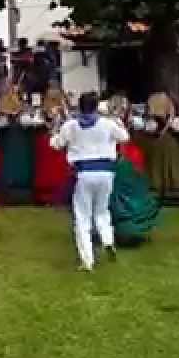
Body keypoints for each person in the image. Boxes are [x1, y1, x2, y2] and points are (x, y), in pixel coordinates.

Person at [50, 92, 130, 271]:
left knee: (82, 216)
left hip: (84, 173)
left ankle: (87, 260)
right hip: (106, 172)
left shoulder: (71, 125)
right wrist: (116, 120)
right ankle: (108, 240)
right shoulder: (107, 124)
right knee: (102, 210)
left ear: (80, 106)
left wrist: (56, 128)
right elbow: (125, 137)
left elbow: (56, 144)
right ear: (96, 106)